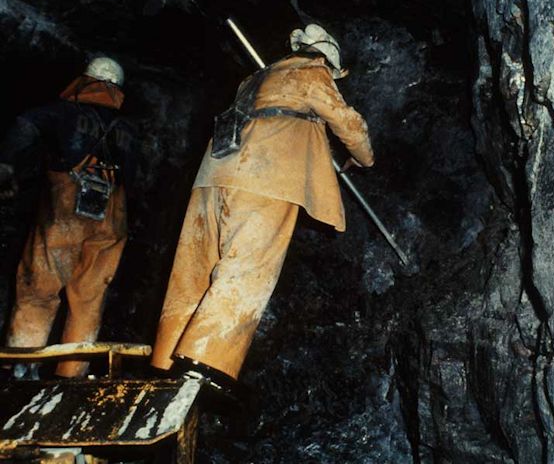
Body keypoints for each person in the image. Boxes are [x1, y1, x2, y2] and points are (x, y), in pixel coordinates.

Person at [151, 23, 374, 385]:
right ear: (326, 60)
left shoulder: (255, 79)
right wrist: (364, 159)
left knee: (194, 267)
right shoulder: (313, 73)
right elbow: (349, 124)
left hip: (214, 175)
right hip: (267, 177)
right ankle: (203, 362)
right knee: (249, 266)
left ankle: (165, 356)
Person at [0, 57, 134, 378]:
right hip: (111, 220)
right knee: (89, 300)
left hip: (67, 213)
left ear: (85, 81)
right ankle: (70, 378)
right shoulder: (127, 130)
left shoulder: (66, 112)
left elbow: (25, 124)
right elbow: (135, 177)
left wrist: (6, 165)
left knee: (39, 288)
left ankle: (22, 366)